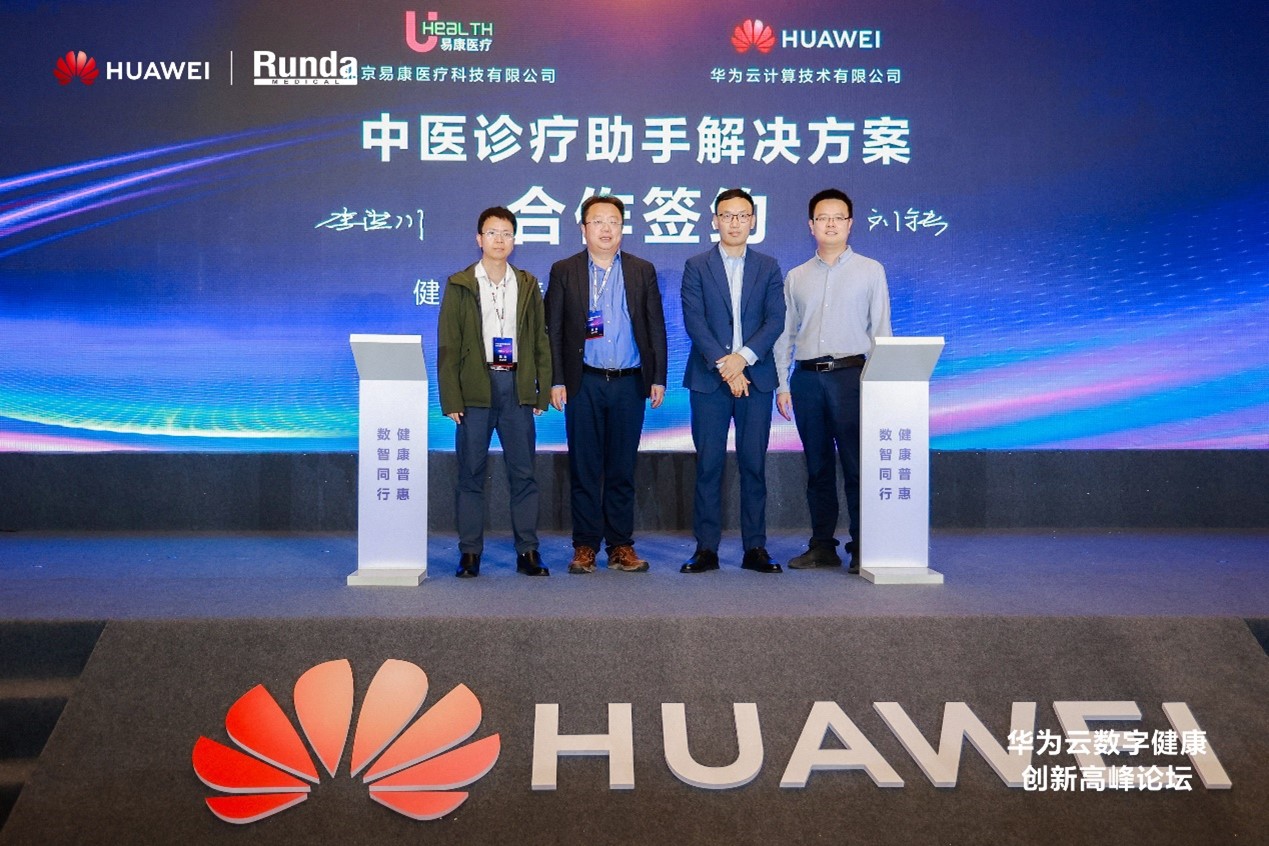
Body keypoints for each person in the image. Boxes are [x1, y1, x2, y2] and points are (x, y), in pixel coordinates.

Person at [545, 195, 668, 574]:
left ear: (622, 228)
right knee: (584, 467)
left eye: (613, 221)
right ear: (583, 229)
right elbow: (553, 330)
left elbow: (655, 326)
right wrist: (556, 379)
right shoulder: (564, 270)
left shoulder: (641, 269)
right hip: (584, 382)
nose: (606, 229)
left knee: (621, 468)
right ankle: (584, 546)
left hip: (629, 383)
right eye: (598, 221)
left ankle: (620, 545)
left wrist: (658, 377)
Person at [774, 188, 892, 574]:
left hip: (852, 377)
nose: (830, 224)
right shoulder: (796, 277)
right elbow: (786, 335)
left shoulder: (871, 271)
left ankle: (864, 546)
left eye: (838, 218)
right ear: (811, 225)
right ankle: (823, 545)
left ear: (850, 224)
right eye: (822, 218)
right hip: (807, 380)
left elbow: (882, 332)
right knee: (818, 467)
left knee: (858, 466)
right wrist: (783, 385)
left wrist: (883, 386)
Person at [437, 206, 552, 578]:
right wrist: (451, 398)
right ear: (479, 239)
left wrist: (541, 391)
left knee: (524, 473)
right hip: (475, 388)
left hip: (517, 387)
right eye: (492, 233)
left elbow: (540, 341)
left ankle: (528, 552)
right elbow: (448, 345)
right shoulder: (460, 284)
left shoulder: (527, 284)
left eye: (506, 233)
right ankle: (470, 553)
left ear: (514, 240)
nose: (499, 240)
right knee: (470, 474)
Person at [679, 188, 786, 574]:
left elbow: (775, 320)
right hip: (710, 380)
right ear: (715, 220)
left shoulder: (768, 266)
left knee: (753, 465)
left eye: (742, 216)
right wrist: (727, 366)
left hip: (755, 379)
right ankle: (706, 548)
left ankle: (755, 547)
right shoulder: (696, 265)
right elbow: (695, 321)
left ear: (753, 220)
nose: (735, 222)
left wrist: (742, 360)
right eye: (727, 215)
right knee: (708, 465)